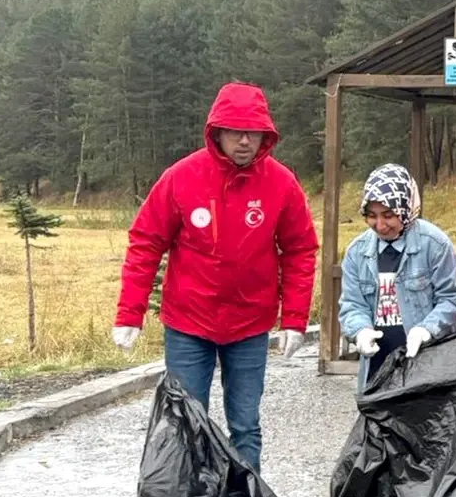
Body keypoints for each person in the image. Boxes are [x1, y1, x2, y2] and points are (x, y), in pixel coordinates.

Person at [112, 82, 318, 474]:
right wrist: (129, 313)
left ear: (265, 136)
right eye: (235, 131)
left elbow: (300, 250)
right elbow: (145, 243)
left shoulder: (281, 183)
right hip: (189, 323)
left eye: (253, 133)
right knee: (186, 421)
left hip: (249, 325)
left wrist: (294, 318)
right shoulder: (181, 178)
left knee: (245, 425)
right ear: (216, 132)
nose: (244, 141)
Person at [338, 163, 456, 392]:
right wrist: (360, 331)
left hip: (428, 364)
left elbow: (451, 299)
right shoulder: (357, 252)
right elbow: (352, 305)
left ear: (405, 210)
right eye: (372, 216)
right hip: (378, 367)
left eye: (388, 215)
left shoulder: (434, 244)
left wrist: (426, 329)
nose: (380, 225)